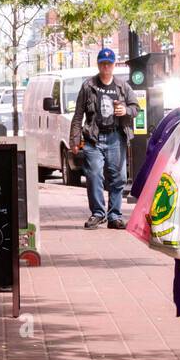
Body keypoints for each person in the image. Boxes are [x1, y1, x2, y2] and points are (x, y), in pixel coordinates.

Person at [70, 47, 139, 229]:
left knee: (118, 178)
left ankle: (114, 216)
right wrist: (74, 140)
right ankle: (98, 213)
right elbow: (78, 115)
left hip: (116, 137)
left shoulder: (122, 87)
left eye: (109, 63)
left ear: (114, 64)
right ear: (98, 64)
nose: (106, 66)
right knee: (94, 175)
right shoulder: (88, 86)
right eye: (103, 63)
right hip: (94, 138)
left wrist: (125, 110)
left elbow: (136, 108)